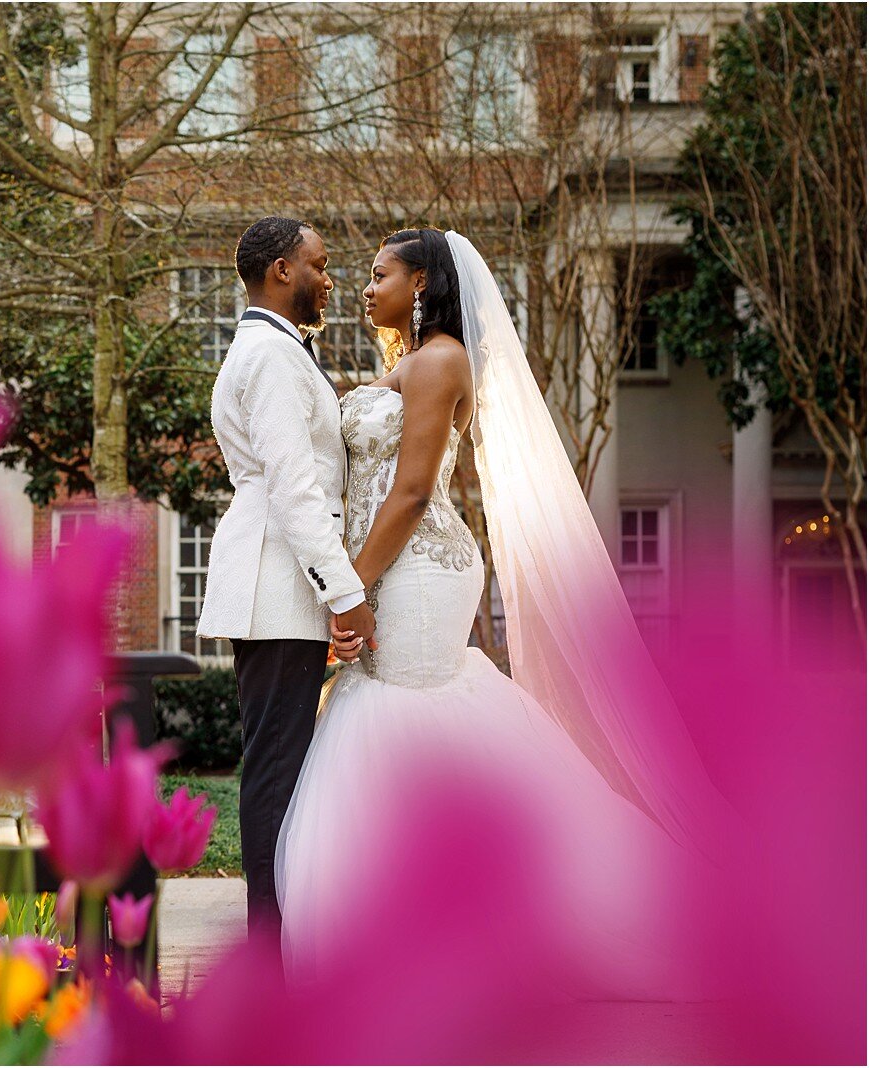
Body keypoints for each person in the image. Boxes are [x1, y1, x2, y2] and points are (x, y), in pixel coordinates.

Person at [274, 227, 731, 993]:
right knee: (387, 718)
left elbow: (415, 492)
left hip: (419, 571)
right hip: (386, 569)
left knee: (402, 715)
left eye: (379, 274)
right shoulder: (403, 364)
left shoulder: (444, 356)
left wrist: (348, 590)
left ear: (421, 284)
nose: (363, 286)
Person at [196, 216, 370, 958]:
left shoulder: (277, 351)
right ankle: (267, 957)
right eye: (320, 264)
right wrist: (344, 592)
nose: (329, 277)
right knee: (275, 770)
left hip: (280, 586)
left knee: (283, 767)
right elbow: (296, 491)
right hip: (278, 592)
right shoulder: (269, 356)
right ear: (281, 273)